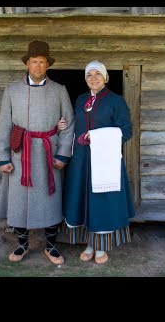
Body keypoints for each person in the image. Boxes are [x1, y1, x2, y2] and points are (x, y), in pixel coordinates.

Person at [0, 40, 75, 265]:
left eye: (41, 62)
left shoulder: (59, 90)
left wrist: (62, 154)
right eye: (33, 62)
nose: (37, 66)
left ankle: (51, 246)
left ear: (47, 65)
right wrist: (2, 157)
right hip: (20, 153)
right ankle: (21, 245)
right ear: (27, 64)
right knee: (20, 201)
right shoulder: (12, 91)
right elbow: (4, 126)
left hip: (48, 154)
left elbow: (68, 123)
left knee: (50, 199)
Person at [58, 60, 135, 264]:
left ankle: (100, 247)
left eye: (97, 74)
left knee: (101, 202)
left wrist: (98, 136)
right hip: (82, 160)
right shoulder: (81, 99)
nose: (93, 78)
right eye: (89, 75)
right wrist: (63, 125)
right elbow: (75, 125)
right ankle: (88, 244)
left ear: (105, 77)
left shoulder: (116, 101)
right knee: (83, 199)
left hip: (105, 161)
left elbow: (127, 131)